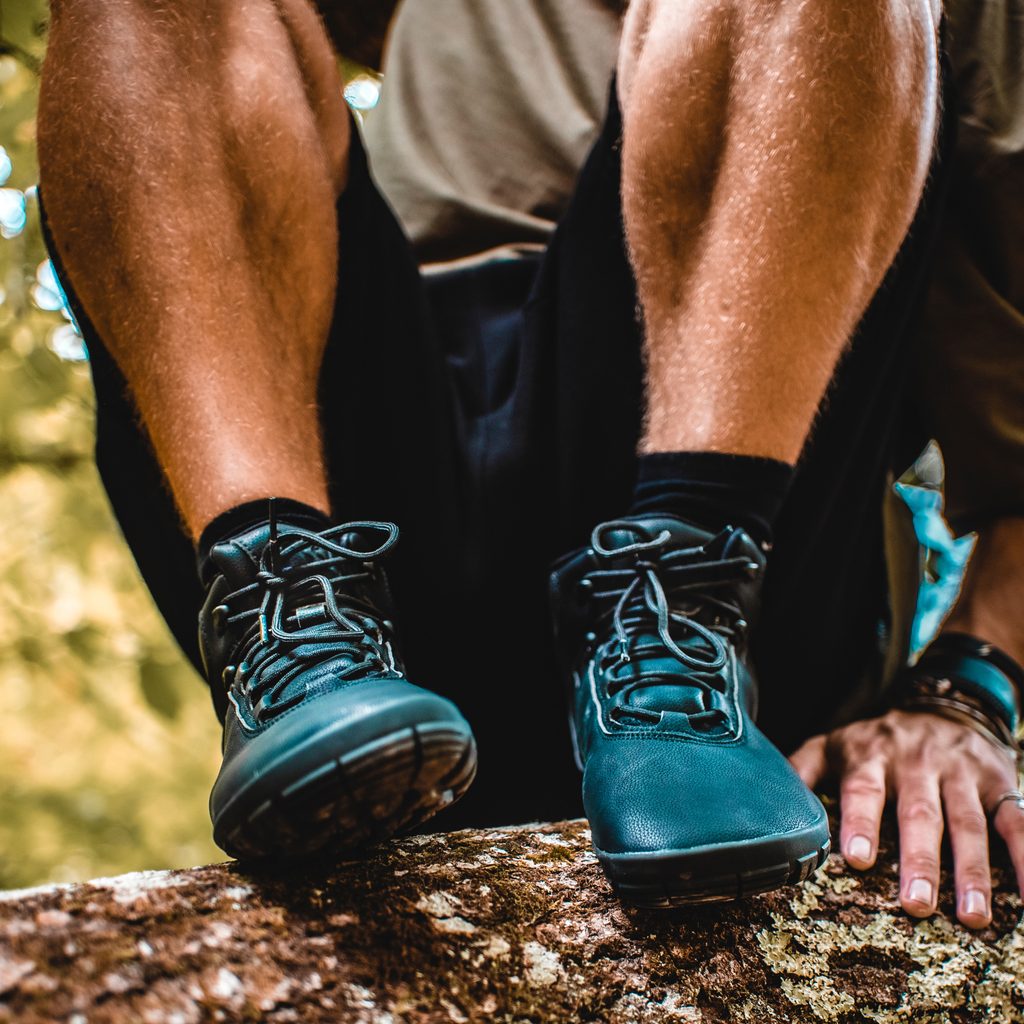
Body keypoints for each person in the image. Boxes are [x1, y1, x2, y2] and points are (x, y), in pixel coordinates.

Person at [35, 0, 1023, 925]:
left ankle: (678, 616)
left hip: (742, 519)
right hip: (349, 462)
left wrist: (967, 694)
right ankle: (286, 603)